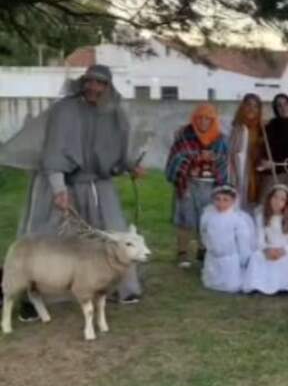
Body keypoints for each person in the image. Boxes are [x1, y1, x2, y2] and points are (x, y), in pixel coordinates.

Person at [17, 64, 146, 309]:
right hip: (65, 182)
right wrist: (58, 189)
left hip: (99, 183)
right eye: (90, 81)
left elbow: (119, 147)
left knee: (113, 234)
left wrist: (131, 166)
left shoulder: (114, 112)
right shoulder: (64, 111)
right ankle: (37, 294)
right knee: (54, 237)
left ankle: (120, 287)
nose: (94, 87)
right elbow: (54, 151)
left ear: (108, 86)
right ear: (82, 82)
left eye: (100, 83)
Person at [166, 103, 229, 269]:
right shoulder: (185, 136)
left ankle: (204, 250)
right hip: (187, 183)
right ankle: (182, 253)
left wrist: (213, 158)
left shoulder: (221, 139)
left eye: (207, 118)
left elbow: (224, 160)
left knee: (207, 220)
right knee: (185, 219)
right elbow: (177, 157)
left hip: (210, 186)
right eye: (199, 118)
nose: (203, 121)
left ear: (213, 120)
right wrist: (196, 157)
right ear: (194, 119)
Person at [243, 185, 288, 295]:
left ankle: (287, 286)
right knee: (256, 257)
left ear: (286, 203)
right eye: (275, 197)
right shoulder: (262, 216)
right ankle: (258, 285)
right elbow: (259, 239)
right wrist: (266, 249)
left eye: (282, 199)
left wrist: (283, 251)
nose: (277, 201)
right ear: (269, 198)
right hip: (270, 247)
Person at [199, 185, 255, 293]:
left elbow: (243, 242)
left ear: (233, 201)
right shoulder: (208, 216)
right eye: (218, 199)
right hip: (213, 257)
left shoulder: (237, 219)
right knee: (210, 282)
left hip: (230, 259)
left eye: (225, 200)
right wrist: (209, 247)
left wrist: (244, 260)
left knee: (232, 286)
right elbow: (204, 234)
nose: (221, 204)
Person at [228, 94, 265, 214]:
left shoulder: (263, 129)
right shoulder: (234, 127)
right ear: (242, 106)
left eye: (255, 106)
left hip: (256, 174)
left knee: (254, 210)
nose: (251, 109)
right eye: (248, 104)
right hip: (237, 172)